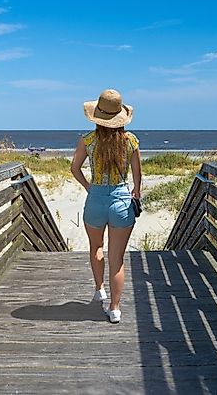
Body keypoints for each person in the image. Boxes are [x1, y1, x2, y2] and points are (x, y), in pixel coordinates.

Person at [70, 89, 141, 324]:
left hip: (96, 200)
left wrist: (89, 187)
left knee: (96, 247)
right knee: (117, 257)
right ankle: (115, 308)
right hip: (121, 199)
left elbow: (74, 168)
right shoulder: (130, 141)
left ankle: (99, 288)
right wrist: (135, 192)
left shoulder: (88, 140)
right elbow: (137, 175)